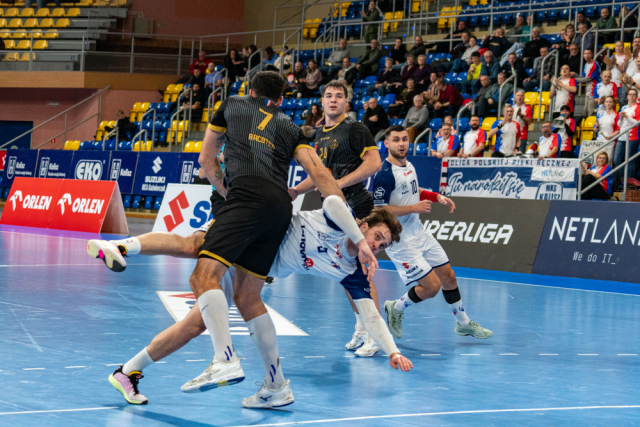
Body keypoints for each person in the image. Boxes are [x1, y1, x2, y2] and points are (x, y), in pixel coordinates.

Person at [92, 197, 412, 405]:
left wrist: (392, 351)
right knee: (194, 245)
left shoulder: (353, 271)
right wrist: (359, 240)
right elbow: (331, 200)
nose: (377, 245)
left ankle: (128, 372)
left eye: (382, 245)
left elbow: (371, 316)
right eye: (376, 237)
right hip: (252, 234)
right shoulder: (338, 222)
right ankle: (123, 246)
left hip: (252, 266)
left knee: (195, 324)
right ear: (363, 227)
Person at [180, 71, 352, 408]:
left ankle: (224, 359)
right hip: (281, 209)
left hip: (246, 195)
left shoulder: (231, 104)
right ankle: (277, 387)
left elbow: (205, 160)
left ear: (250, 91)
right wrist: (354, 233)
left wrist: (226, 193)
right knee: (247, 296)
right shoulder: (291, 127)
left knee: (203, 276)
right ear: (281, 100)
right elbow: (320, 174)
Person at [376, 126, 492, 341]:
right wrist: (413, 208)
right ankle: (396, 307)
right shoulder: (384, 174)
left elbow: (415, 190)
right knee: (432, 288)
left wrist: (436, 196)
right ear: (387, 144)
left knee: (449, 277)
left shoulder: (409, 165)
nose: (401, 144)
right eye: (396, 140)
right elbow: (379, 209)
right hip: (400, 241)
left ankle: (463, 324)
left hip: (419, 233)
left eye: (404, 139)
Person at [290, 81, 382, 220]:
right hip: (332, 210)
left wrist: (340, 183)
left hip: (358, 208)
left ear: (346, 101)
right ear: (323, 101)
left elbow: (375, 163)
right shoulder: (320, 133)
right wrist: (297, 190)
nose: (333, 100)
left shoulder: (356, 128)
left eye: (339, 96)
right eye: (329, 96)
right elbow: (321, 174)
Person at [614, 88, 640, 183]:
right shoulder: (623, 107)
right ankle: (622, 180)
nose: (632, 96)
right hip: (622, 136)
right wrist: (621, 118)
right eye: (630, 94)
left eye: (634, 94)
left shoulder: (638, 107)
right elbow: (619, 124)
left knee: (630, 160)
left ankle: (629, 181)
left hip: (633, 136)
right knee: (617, 160)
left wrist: (626, 116)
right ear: (627, 96)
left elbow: (637, 123)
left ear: (636, 97)